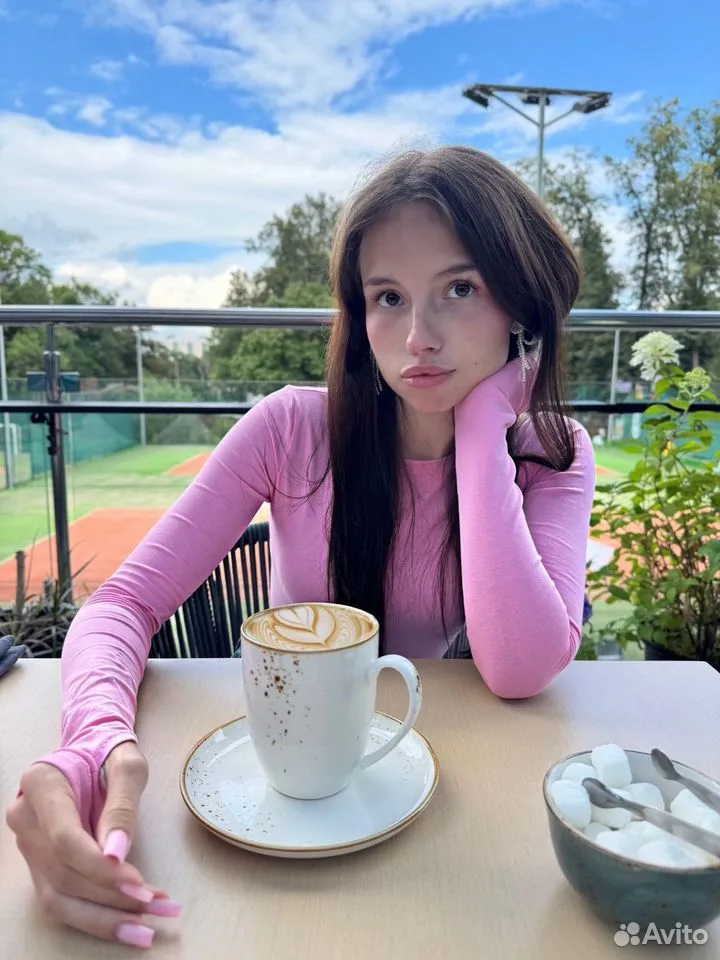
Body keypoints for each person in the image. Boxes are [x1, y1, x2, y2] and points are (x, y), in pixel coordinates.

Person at [6, 145, 595, 948]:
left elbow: (520, 670)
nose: (417, 337)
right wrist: (94, 738)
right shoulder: (290, 428)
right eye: (388, 297)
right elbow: (123, 603)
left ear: (522, 307)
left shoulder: (552, 454)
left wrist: (486, 426)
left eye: (461, 289)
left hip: (441, 790)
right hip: (278, 793)